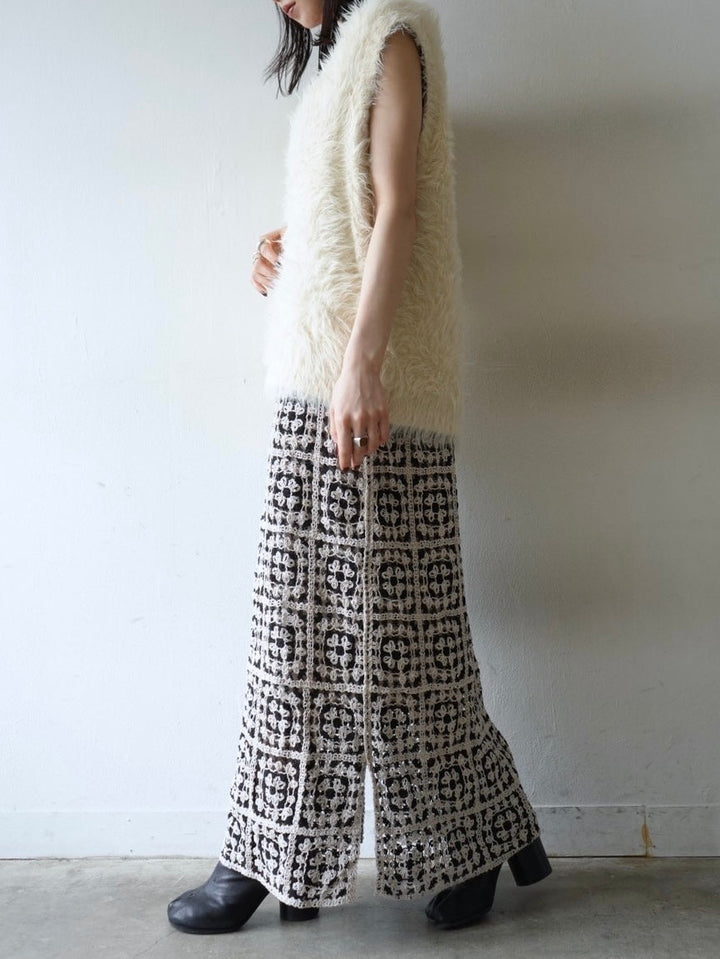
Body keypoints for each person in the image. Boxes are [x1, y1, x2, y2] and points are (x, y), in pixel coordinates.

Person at [167, 0, 552, 935]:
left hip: (368, 391)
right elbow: (355, 213)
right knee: (313, 629)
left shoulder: (391, 38)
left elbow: (402, 207)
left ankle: (425, 841)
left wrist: (364, 366)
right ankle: (303, 847)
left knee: (394, 636)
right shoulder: (342, 61)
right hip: (322, 377)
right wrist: (287, 246)